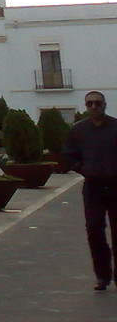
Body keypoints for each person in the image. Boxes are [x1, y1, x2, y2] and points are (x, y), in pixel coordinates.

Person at [64, 90, 117, 291]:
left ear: (105, 105)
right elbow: (70, 155)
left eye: (98, 103)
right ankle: (102, 276)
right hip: (93, 189)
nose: (94, 106)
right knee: (94, 230)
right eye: (90, 104)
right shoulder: (78, 131)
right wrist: (83, 168)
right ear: (86, 106)